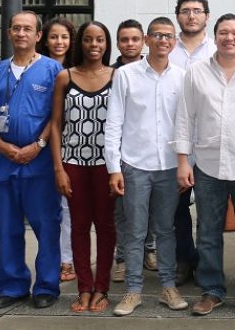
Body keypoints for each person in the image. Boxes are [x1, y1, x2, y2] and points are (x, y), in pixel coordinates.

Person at [176, 13, 235, 316]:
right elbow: (185, 117)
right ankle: (212, 290)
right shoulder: (196, 72)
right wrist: (183, 161)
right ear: (214, 37)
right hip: (208, 163)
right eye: (223, 33)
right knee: (208, 230)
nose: (229, 38)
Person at [0, 11, 63, 310]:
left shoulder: (53, 71)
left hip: (40, 164)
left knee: (46, 226)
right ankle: (12, 286)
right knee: (7, 227)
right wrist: (0, 144)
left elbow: (57, 116)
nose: (22, 33)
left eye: (28, 29)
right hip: (4, 162)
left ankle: (46, 286)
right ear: (9, 33)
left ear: (38, 35)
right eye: (17, 28)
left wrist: (38, 145)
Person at [106, 17, 189, 316]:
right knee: (135, 230)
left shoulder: (183, 77)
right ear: (146, 39)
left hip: (169, 166)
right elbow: (114, 121)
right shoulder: (126, 75)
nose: (163, 40)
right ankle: (133, 291)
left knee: (165, 229)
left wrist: (186, 164)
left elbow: (186, 123)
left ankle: (168, 287)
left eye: (168, 36)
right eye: (157, 35)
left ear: (174, 42)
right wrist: (114, 167)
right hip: (134, 165)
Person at [49, 21, 116, 313]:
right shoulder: (65, 77)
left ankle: (101, 289)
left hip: (106, 164)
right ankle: (83, 289)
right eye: (88, 39)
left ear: (106, 44)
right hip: (73, 163)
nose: (94, 45)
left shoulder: (117, 76)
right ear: (81, 43)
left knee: (106, 227)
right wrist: (59, 168)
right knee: (78, 226)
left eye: (99, 40)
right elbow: (55, 125)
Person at [169, 0, 216, 286]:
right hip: (176, 144)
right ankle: (185, 261)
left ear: (207, 16)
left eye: (197, 11)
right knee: (177, 210)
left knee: (209, 211)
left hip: (210, 142)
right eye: (186, 11)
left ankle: (208, 266)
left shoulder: (218, 50)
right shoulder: (167, 49)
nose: (191, 16)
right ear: (178, 16)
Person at [109, 19, 155, 282]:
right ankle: (123, 258)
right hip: (122, 154)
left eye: (135, 39)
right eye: (124, 39)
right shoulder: (111, 73)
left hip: (150, 152)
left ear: (144, 41)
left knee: (150, 209)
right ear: (118, 43)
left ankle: (149, 251)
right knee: (123, 211)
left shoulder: (153, 69)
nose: (130, 44)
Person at [36, 17, 76, 284]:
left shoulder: (77, 70)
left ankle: (66, 261)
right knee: (45, 209)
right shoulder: (37, 69)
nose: (59, 42)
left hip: (70, 147)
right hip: (39, 148)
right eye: (54, 37)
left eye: (64, 37)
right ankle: (52, 259)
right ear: (44, 39)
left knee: (67, 207)